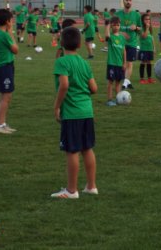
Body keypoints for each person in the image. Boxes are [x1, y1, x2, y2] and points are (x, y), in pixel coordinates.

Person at [51, 27, 98, 199]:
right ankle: (91, 186)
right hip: (87, 111)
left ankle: (71, 191)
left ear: (62, 43)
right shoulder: (84, 63)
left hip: (72, 113)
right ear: (79, 44)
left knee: (72, 151)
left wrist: (56, 106)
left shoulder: (61, 62)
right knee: (87, 148)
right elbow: (94, 88)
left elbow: (64, 85)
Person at [0, 9, 19, 134]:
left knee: (6, 96)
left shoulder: (1, 33)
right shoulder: (4, 35)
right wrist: (11, 33)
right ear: (7, 21)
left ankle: (2, 123)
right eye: (11, 20)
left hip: (6, 67)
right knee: (6, 96)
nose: (12, 22)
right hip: (4, 67)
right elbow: (15, 49)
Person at [116, 0, 142, 89]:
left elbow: (141, 29)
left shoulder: (136, 14)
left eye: (130, 0)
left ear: (132, 2)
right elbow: (113, 28)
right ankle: (127, 81)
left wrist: (136, 28)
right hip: (120, 43)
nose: (128, 2)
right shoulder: (117, 14)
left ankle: (125, 82)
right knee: (121, 63)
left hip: (132, 43)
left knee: (129, 62)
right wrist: (121, 33)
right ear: (123, 1)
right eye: (127, 0)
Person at [104, 17, 126, 106]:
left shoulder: (122, 38)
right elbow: (106, 35)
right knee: (110, 82)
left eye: (118, 25)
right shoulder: (111, 37)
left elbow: (124, 50)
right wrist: (108, 25)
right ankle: (109, 100)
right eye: (114, 25)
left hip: (120, 64)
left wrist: (124, 63)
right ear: (111, 26)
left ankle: (118, 98)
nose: (116, 27)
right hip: (111, 64)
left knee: (118, 82)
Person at [139, 13, 155, 84]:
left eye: (149, 19)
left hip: (150, 48)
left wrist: (154, 47)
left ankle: (149, 78)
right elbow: (144, 36)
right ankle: (142, 79)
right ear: (143, 20)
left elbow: (152, 38)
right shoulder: (141, 28)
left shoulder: (150, 28)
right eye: (146, 19)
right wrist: (147, 27)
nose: (148, 20)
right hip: (143, 48)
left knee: (149, 62)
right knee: (143, 62)